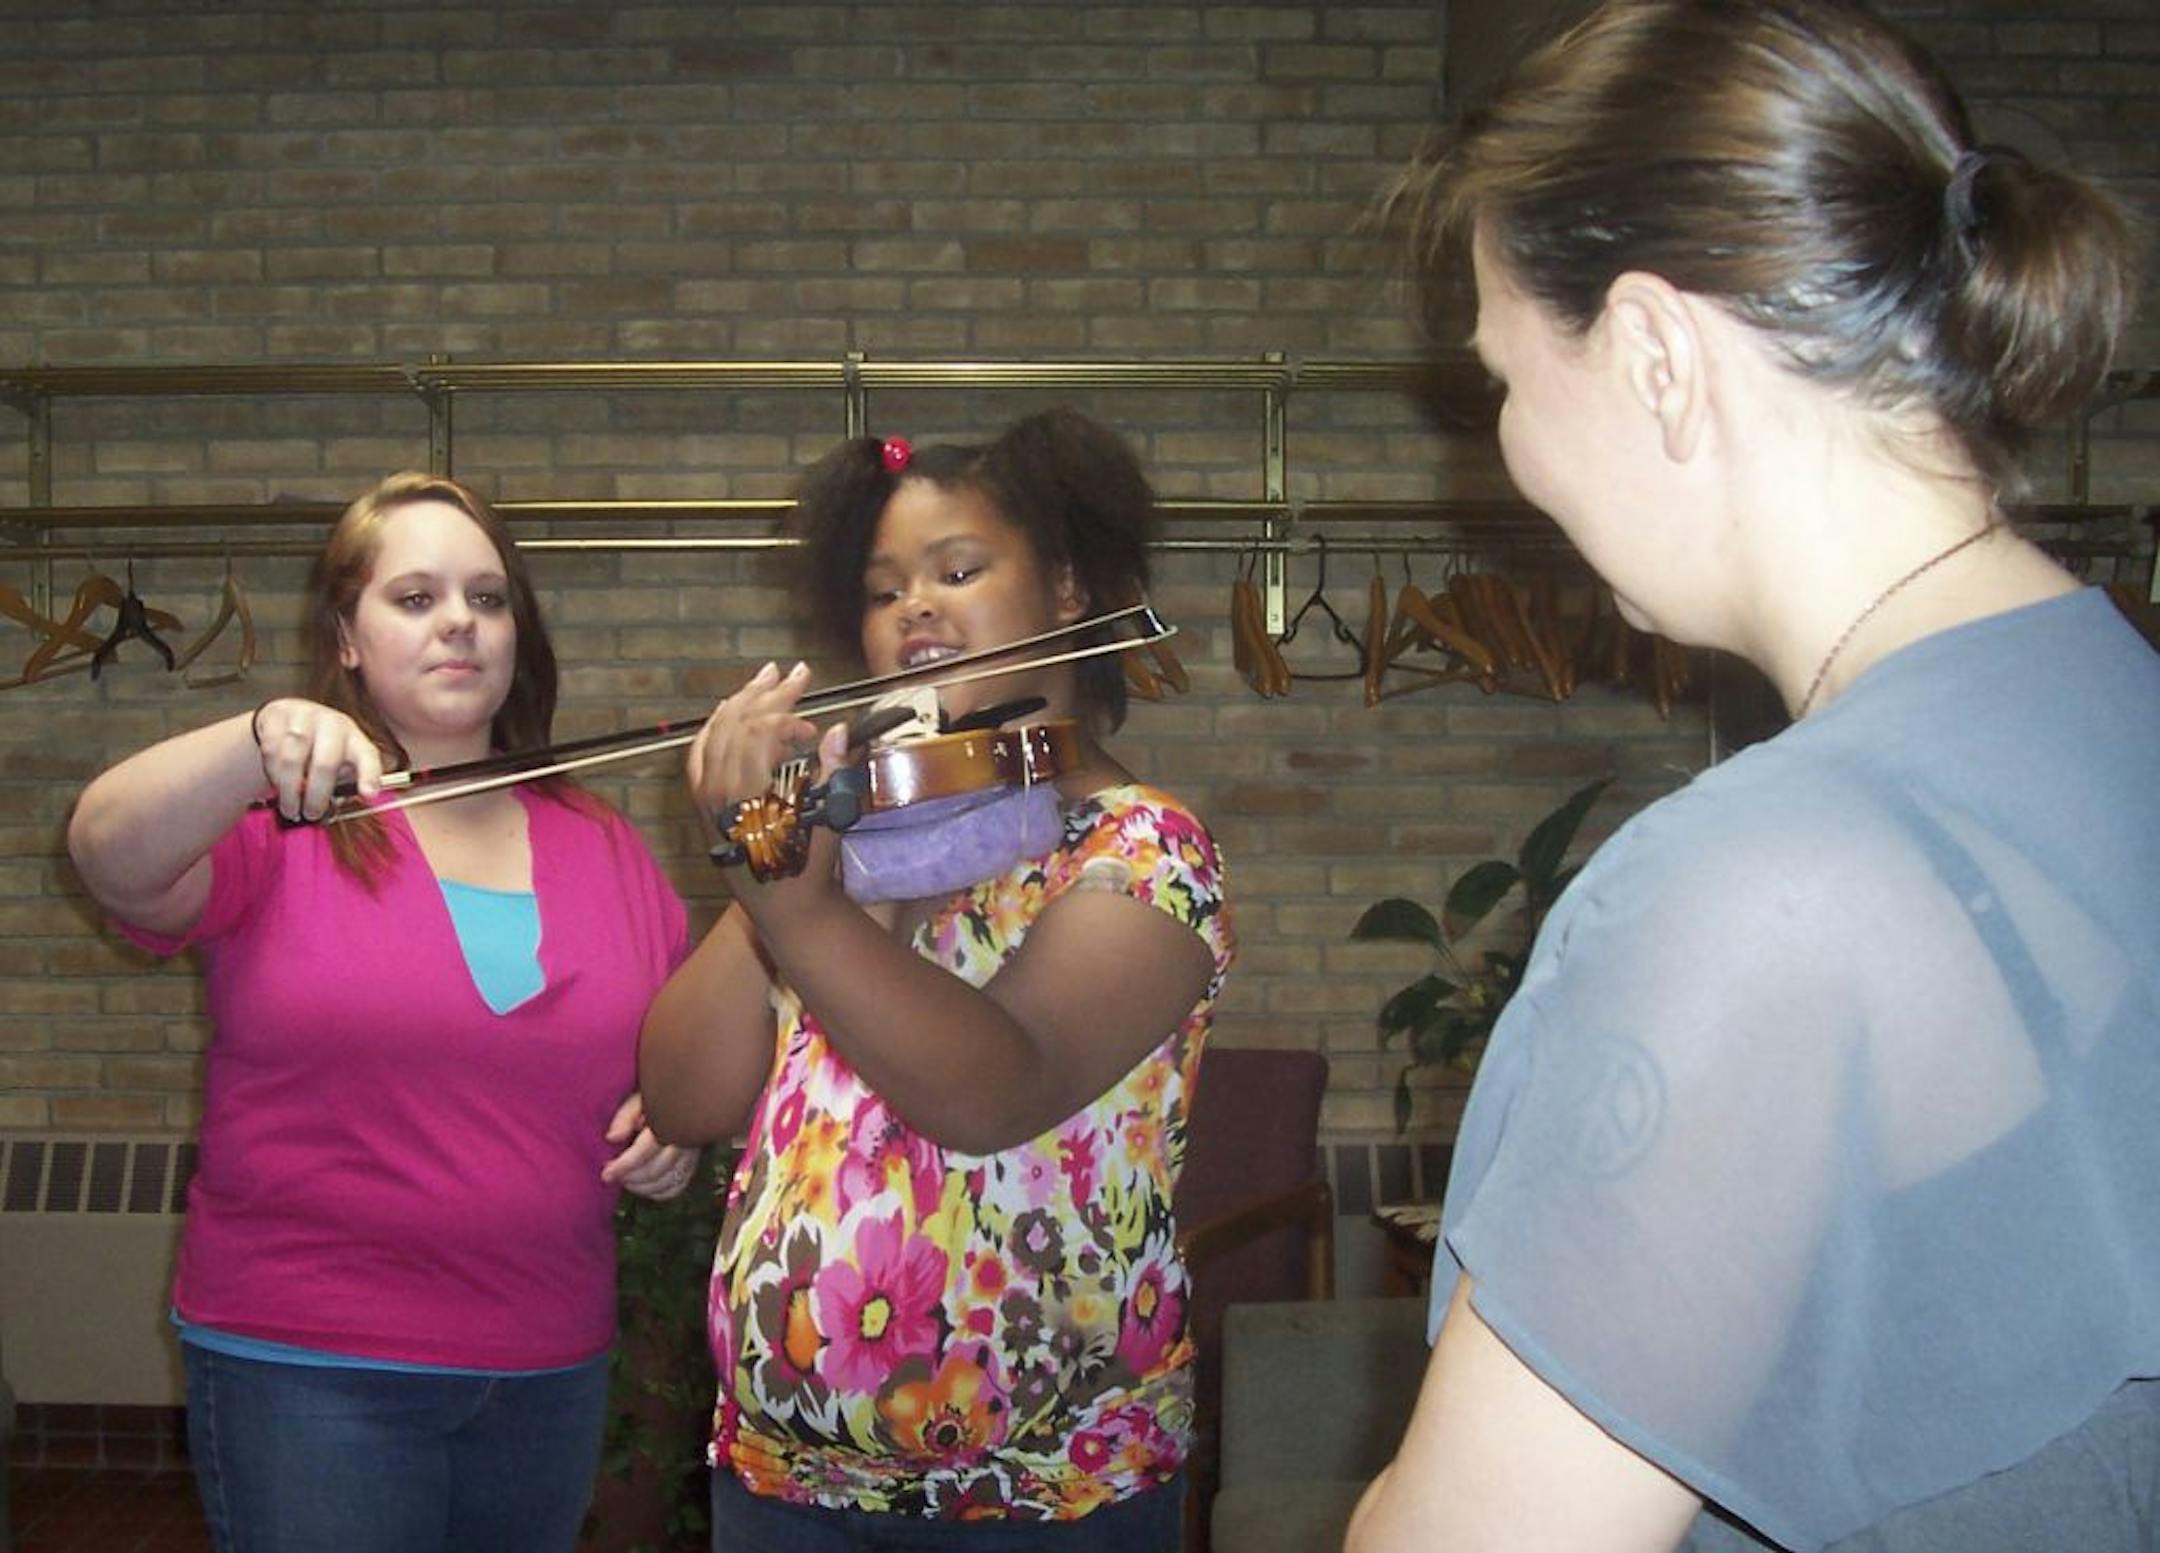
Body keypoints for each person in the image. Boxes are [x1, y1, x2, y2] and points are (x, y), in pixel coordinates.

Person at [1345, 2, 2158, 1551]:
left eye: (1505, 377)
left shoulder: (1764, 892)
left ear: (1653, 355)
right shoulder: (2112, 697)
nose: (1505, 447)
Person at [638, 406, 1233, 1550]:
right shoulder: (845, 847)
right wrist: (770, 855)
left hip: (1041, 1497)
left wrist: (794, 899)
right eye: (882, 588)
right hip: (785, 1482)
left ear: (1067, 588)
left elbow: (988, 1090)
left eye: (958, 569)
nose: (914, 606)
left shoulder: (1142, 848)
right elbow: (683, 1094)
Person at [67, 472, 696, 1553]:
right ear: (346, 639)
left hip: (547, 1361)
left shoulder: (602, 838)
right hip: (311, 1365)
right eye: (415, 597)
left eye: (488, 598)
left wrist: (680, 1117)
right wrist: (254, 739)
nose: (460, 620)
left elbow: (681, 1045)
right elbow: (106, 853)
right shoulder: (283, 820)